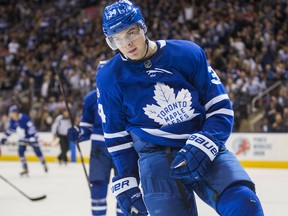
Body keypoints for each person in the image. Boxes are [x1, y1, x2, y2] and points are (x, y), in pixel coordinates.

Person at [96, 1, 264, 215]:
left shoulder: (187, 53)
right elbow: (116, 135)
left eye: (130, 33)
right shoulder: (109, 77)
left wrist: (209, 140)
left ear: (143, 27)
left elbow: (220, 106)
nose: (127, 44)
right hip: (155, 158)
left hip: (201, 143)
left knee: (244, 203)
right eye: (117, 39)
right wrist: (126, 179)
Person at [67, 61, 124, 216]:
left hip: (123, 148)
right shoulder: (91, 98)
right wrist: (78, 133)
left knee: (126, 189)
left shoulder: (126, 94)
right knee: (98, 187)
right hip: (100, 150)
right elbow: (86, 127)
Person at [0, 105, 48, 176]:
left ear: (15, 113)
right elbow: (10, 130)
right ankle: (25, 168)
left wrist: (33, 136)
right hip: (22, 139)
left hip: (31, 137)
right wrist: (4, 138)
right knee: (20, 152)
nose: (10, 114)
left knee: (37, 151)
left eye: (11, 113)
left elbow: (31, 127)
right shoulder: (12, 121)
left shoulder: (24, 118)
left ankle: (43, 163)